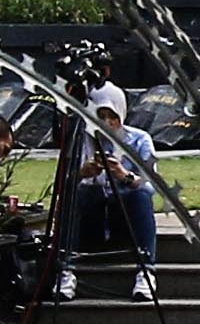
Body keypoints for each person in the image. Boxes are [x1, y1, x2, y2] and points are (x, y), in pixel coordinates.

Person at [54, 81, 168, 299]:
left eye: (112, 116)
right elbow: (61, 187)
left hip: (123, 217)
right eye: (100, 116)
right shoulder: (80, 140)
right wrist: (81, 174)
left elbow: (152, 185)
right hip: (91, 219)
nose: (106, 123)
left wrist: (123, 175)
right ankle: (66, 270)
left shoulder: (140, 139)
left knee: (140, 195)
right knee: (80, 193)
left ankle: (146, 271)